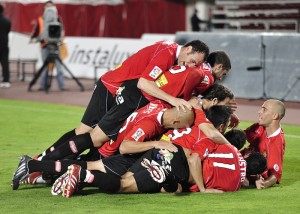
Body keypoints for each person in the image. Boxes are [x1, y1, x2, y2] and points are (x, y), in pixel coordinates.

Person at [34, 50, 230, 163]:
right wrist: (179, 99)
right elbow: (144, 83)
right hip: (120, 89)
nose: (192, 65)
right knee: (91, 136)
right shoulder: (202, 73)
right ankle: (41, 164)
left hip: (126, 91)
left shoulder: (181, 62)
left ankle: (48, 164)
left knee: (93, 137)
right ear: (219, 67)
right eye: (224, 73)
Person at [11, 101, 195, 191]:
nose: (177, 130)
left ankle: (31, 166)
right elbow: (125, 147)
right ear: (176, 120)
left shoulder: (156, 104)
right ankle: (41, 171)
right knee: (114, 182)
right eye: (180, 126)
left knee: (81, 162)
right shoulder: (150, 125)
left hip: (107, 138)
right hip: (110, 151)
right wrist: (156, 142)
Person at [241, 99, 286, 190]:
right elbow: (241, 137)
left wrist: (264, 183)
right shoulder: (259, 127)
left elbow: (275, 173)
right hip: (239, 162)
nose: (259, 112)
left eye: (264, 109)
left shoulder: (276, 142)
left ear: (275, 115)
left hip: (246, 174)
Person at [30, 0, 66, 91]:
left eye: (51, 7)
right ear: (44, 8)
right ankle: (43, 85)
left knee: (59, 66)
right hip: (44, 46)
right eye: (47, 7)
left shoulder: (58, 18)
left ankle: (62, 86)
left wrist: (60, 38)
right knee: (45, 66)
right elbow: (36, 33)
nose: (49, 9)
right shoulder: (40, 19)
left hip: (55, 45)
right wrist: (39, 38)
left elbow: (62, 31)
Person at [0, 4, 11, 88]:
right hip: (4, 44)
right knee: (5, 63)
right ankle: (6, 80)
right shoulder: (7, 20)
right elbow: (8, 30)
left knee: (5, 63)